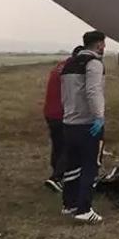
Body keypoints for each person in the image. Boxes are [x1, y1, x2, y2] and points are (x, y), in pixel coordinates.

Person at [60, 31, 107, 223]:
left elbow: (64, 94)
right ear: (98, 45)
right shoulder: (94, 63)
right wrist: (99, 117)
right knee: (90, 166)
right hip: (87, 124)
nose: (104, 48)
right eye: (103, 44)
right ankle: (84, 209)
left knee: (72, 166)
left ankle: (69, 204)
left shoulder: (69, 64)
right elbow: (93, 91)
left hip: (69, 123)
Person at [42, 46, 83, 192]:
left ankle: (56, 173)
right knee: (70, 146)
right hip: (63, 114)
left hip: (50, 112)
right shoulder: (74, 70)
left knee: (58, 144)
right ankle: (57, 178)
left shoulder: (60, 66)